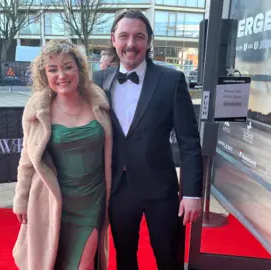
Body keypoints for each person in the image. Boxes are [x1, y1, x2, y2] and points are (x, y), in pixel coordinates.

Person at [92, 10, 203, 270]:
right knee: (125, 258)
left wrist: (192, 193)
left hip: (161, 190)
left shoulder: (171, 80)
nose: (131, 44)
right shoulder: (97, 81)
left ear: (149, 41)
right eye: (124, 36)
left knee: (169, 259)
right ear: (113, 39)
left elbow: (189, 141)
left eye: (139, 37)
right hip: (118, 189)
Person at [12, 39, 113, 270]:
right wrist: (21, 199)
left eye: (68, 66)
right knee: (54, 261)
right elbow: (27, 159)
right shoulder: (38, 109)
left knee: (84, 265)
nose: (61, 75)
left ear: (79, 68)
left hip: (91, 203)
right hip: (53, 202)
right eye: (53, 69)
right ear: (44, 75)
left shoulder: (99, 101)